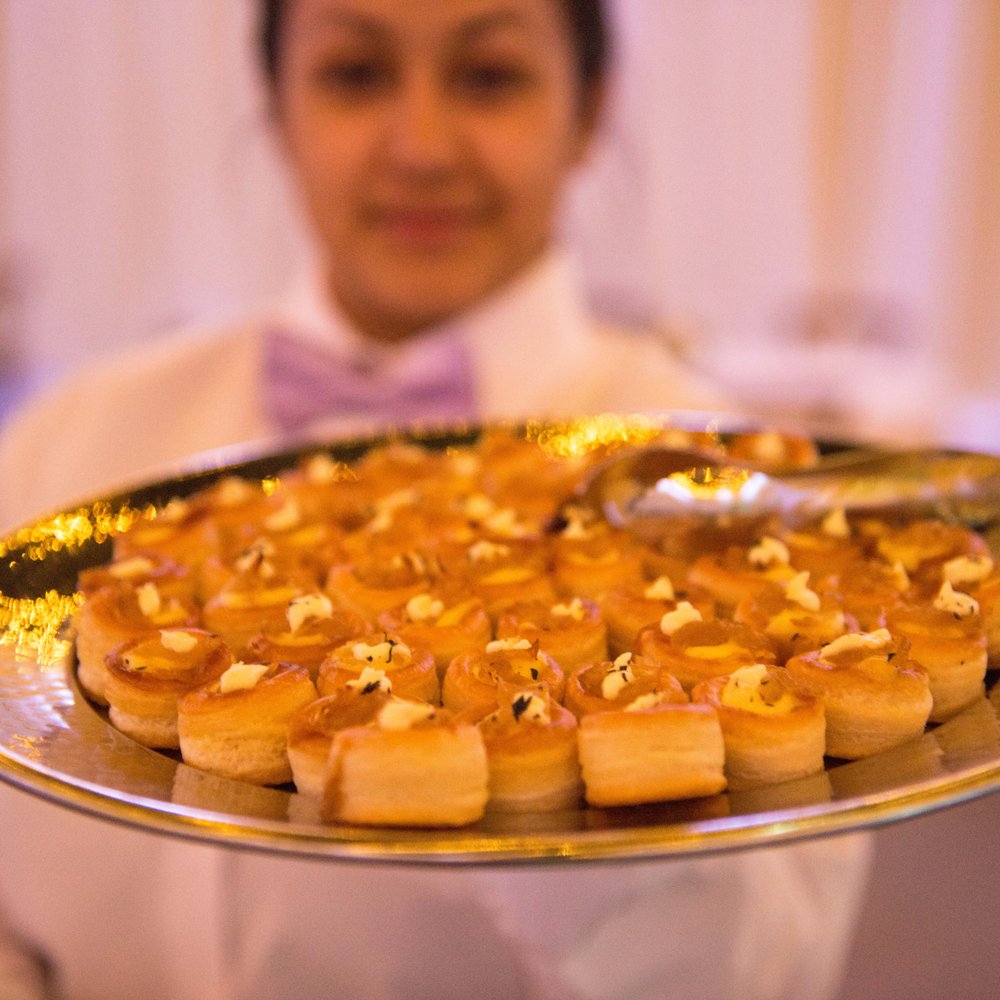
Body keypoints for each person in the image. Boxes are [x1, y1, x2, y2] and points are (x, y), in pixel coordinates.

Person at [0, 2, 873, 998]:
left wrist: (578, 772)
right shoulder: (74, 448)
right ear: (277, 105)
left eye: (489, 77)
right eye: (356, 74)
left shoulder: (719, 493)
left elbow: (769, 965)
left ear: (588, 110)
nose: (420, 148)